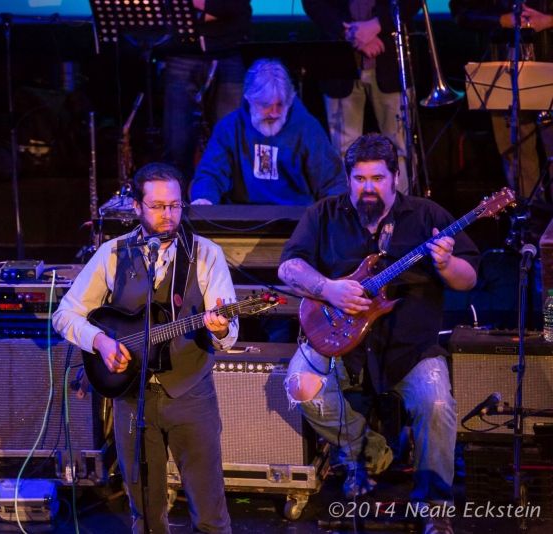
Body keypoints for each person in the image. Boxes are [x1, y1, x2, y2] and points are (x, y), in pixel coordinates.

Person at [277, 133, 479, 533]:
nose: (367, 187)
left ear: (396, 178)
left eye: (377, 178)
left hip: (410, 349)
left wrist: (445, 263)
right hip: (340, 345)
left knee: (437, 404)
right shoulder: (324, 214)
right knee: (299, 386)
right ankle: (370, 448)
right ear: (348, 178)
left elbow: (469, 278)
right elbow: (288, 268)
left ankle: (435, 510)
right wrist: (328, 289)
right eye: (359, 178)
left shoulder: (426, 216)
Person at [53, 162, 238, 533]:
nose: (168, 214)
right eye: (157, 206)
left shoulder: (206, 254)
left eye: (175, 205)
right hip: (131, 398)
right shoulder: (113, 253)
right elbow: (65, 314)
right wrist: (100, 341)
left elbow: (229, 331)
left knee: (210, 514)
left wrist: (221, 328)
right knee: (146, 515)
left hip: (191, 394)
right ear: (137, 206)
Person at [302, 0, 423, 195]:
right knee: (343, 150)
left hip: (391, 59)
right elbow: (314, 3)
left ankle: (400, 208)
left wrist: (378, 24)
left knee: (399, 148)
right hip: (339, 60)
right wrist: (349, 32)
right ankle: (347, 209)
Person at [190, 59, 348, 205]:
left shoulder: (308, 128)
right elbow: (211, 173)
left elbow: (332, 181)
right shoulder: (229, 128)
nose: (274, 113)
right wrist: (204, 197)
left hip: (296, 218)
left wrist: (336, 214)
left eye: (280, 105)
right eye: (266, 105)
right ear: (249, 99)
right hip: (242, 215)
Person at [450, 0, 553, 200]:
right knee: (517, 156)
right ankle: (528, 213)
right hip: (502, 66)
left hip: (548, 58)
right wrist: (501, 20)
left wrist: (548, 21)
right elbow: (461, 12)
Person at [162, 0, 252, 178]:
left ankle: (229, 192)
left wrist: (203, 6)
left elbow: (239, 7)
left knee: (232, 139)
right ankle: (178, 193)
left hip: (228, 49)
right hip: (182, 50)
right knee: (178, 142)